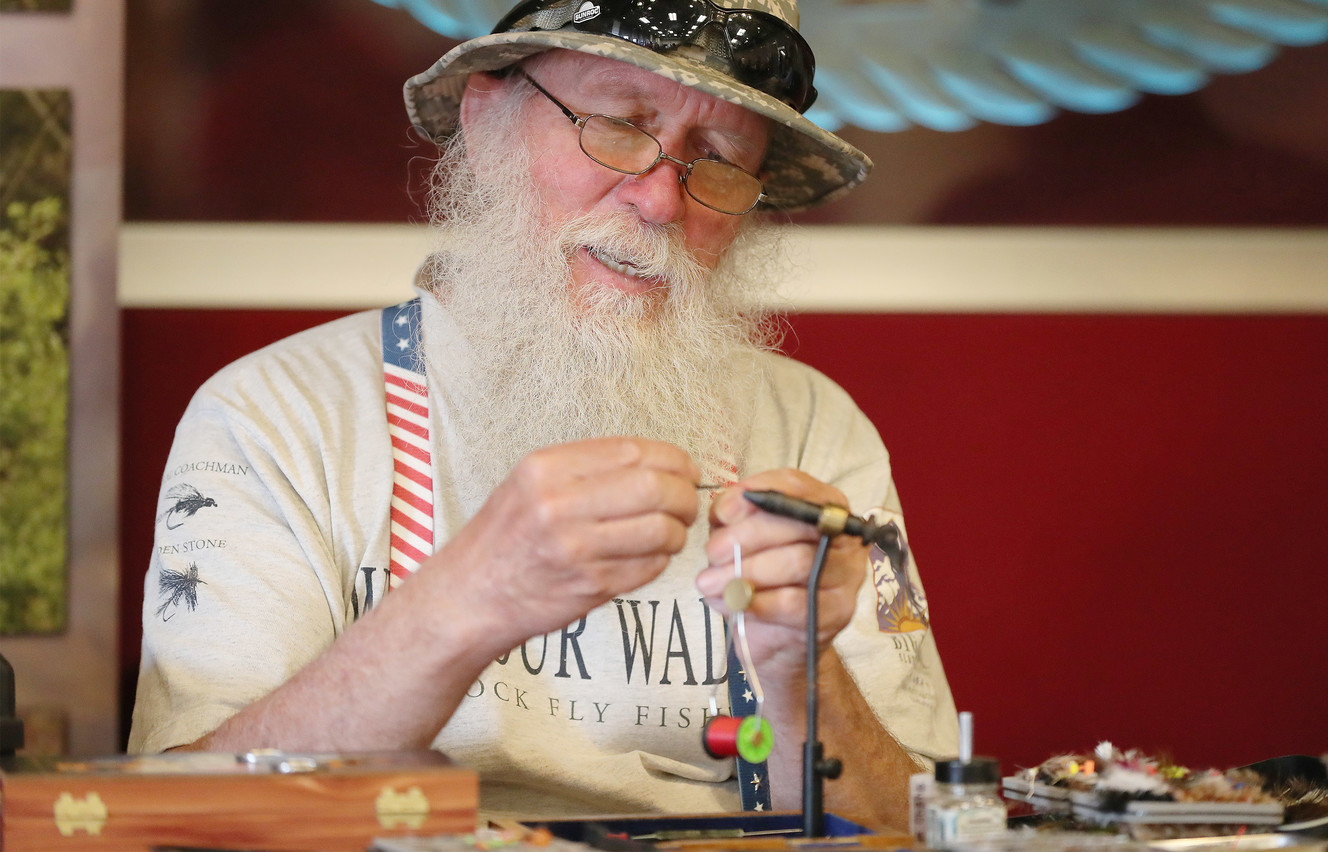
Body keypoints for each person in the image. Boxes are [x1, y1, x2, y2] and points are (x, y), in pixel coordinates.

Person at [129, 0, 959, 830]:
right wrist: (467, 599)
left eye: (720, 160)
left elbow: (916, 829)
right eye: (620, 126)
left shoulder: (817, 430)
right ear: (487, 122)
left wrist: (801, 673)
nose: (662, 201)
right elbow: (187, 821)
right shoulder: (272, 416)